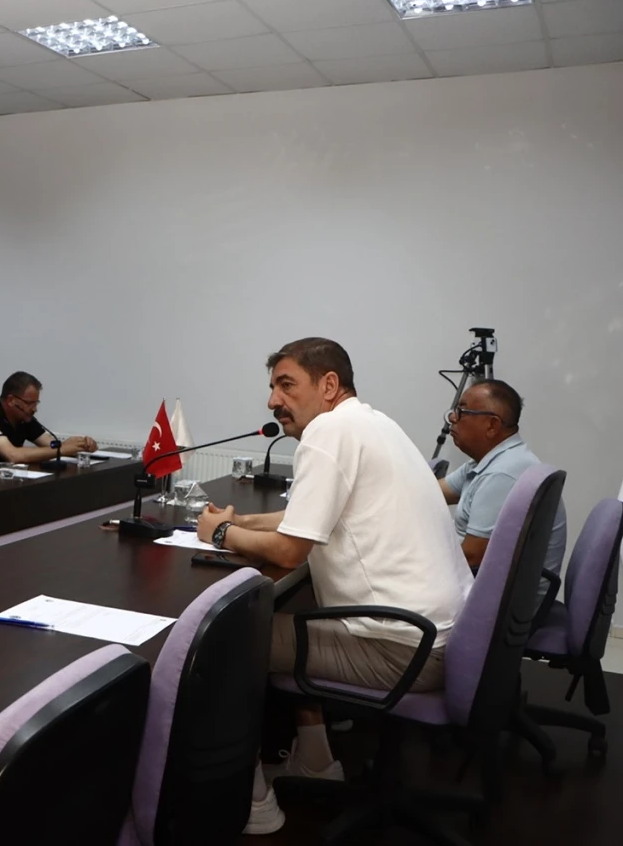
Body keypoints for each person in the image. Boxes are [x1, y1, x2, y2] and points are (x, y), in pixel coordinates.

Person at [195, 337, 472, 835]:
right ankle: (317, 760)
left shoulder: (328, 431)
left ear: (328, 385)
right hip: (439, 636)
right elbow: (309, 518)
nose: (273, 400)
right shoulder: (372, 424)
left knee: (225, 641)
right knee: (292, 607)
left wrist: (218, 533)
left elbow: (289, 551)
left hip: (400, 648)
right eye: (272, 387)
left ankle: (249, 801)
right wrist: (245, 522)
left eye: (286, 385)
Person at [440, 379, 567, 603]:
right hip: (491, 589)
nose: (452, 418)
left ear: (492, 425)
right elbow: (433, 492)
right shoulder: (488, 461)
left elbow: (471, 558)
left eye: (462, 411)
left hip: (500, 606)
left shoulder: (502, 474)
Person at [0, 371, 97, 472]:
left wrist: (80, 445)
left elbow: (51, 444)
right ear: (11, 400)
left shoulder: (24, 418)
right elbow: (13, 456)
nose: (34, 409)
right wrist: (62, 449)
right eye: (29, 403)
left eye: (36, 403)